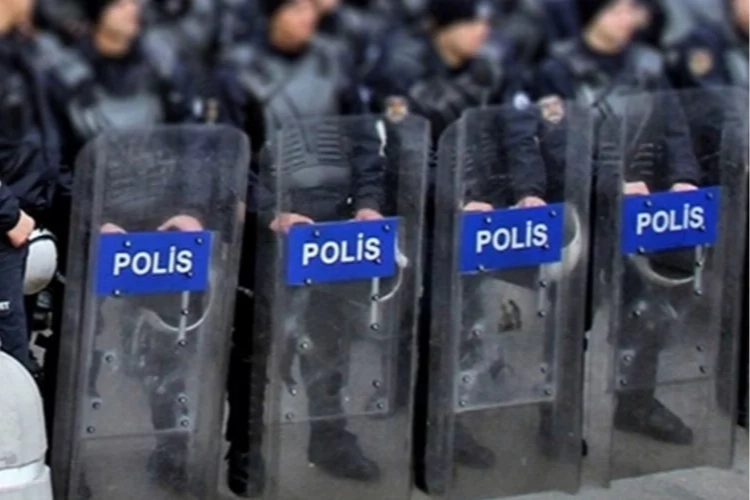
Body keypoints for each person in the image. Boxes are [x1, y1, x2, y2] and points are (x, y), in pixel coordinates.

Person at [217, 0, 385, 495]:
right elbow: (229, 157)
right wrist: (271, 212)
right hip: (273, 227)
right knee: (258, 346)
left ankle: (330, 439)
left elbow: (364, 142)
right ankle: (246, 447)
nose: (308, 16)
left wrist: (369, 203)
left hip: (334, 222)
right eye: (296, 7)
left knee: (331, 337)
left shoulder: (334, 62)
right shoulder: (239, 71)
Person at [534, 0, 700, 445]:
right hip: (584, 209)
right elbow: (557, 144)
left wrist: (684, 179)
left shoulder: (648, 65)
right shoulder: (557, 70)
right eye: (619, 10)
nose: (630, 19)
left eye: (633, 10)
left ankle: (637, 404)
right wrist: (612, 183)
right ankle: (558, 415)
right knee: (572, 319)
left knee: (650, 312)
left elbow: (675, 130)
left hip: (643, 211)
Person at [41, 0, 199, 443]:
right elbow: (56, 163)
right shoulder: (62, 76)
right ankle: (65, 454)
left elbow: (188, 144)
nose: (135, 10)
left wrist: (190, 208)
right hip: (95, 229)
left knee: (171, 346)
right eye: (124, 2)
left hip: (161, 226)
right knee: (79, 349)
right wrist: (93, 220)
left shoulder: (158, 68)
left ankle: (172, 450)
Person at [0, 0, 60, 374]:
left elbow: (44, 142)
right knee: (9, 366)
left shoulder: (20, 53)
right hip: (8, 226)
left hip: (27, 219)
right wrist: (9, 215)